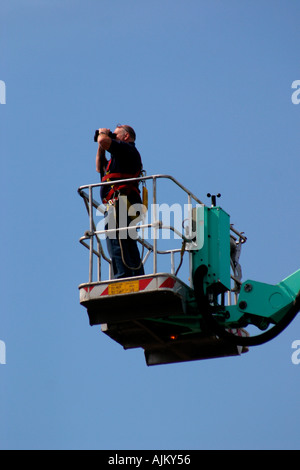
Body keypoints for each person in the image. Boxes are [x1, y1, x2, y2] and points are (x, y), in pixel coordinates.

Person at [96, 124, 145, 279]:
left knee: (116, 240)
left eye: (115, 135)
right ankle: (136, 275)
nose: (112, 137)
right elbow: (99, 167)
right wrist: (101, 144)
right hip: (121, 203)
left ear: (125, 136)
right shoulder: (118, 157)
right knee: (127, 241)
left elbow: (104, 140)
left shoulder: (127, 149)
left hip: (123, 202)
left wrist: (103, 134)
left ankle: (122, 276)